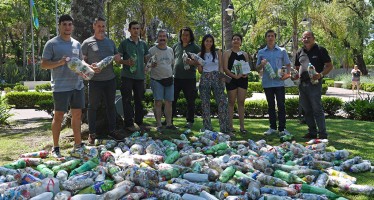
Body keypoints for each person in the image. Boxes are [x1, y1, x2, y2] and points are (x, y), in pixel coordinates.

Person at [41, 14, 84, 158]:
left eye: (69, 24)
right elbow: (44, 64)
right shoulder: (52, 44)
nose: (67, 27)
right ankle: (56, 147)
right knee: (59, 115)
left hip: (77, 86)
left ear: (72, 26)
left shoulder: (77, 44)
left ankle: (78, 145)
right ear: (59, 26)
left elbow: (80, 64)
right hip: (60, 87)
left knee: (77, 115)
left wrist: (86, 71)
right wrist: (59, 62)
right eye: (64, 24)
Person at [81, 17, 123, 144]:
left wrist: (118, 57)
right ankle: (92, 133)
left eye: (103, 26)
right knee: (92, 107)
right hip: (94, 81)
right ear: (94, 26)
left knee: (111, 106)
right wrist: (89, 66)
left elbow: (118, 57)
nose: (101, 29)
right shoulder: (87, 43)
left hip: (110, 80)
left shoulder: (110, 42)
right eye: (99, 26)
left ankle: (112, 131)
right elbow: (81, 60)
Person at [294, 31, 333, 139]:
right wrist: (295, 75)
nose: (306, 39)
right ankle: (312, 132)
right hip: (302, 84)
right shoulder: (299, 52)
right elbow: (297, 68)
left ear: (314, 38)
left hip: (314, 84)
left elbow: (329, 66)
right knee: (307, 109)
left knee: (317, 109)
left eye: (308, 37)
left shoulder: (320, 50)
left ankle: (322, 134)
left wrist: (320, 75)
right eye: (304, 37)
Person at [256, 30, 291, 136]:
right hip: (267, 83)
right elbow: (257, 68)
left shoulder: (282, 51)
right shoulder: (261, 52)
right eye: (268, 36)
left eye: (272, 36)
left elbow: (288, 64)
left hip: (279, 83)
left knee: (281, 105)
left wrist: (287, 75)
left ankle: (282, 128)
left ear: (275, 38)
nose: (270, 38)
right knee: (270, 106)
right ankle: (272, 127)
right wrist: (261, 64)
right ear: (266, 38)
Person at [117, 21, 149, 132]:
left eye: (138, 28)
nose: (136, 30)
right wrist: (125, 62)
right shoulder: (124, 43)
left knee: (139, 101)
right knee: (126, 100)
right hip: (127, 77)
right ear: (129, 30)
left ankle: (139, 123)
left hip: (140, 77)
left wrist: (151, 63)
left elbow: (147, 59)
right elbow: (117, 60)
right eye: (134, 28)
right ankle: (128, 124)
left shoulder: (143, 44)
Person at [197, 34, 230, 135]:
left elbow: (220, 66)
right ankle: (207, 128)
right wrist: (199, 63)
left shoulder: (217, 52)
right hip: (205, 78)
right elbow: (200, 71)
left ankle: (224, 128)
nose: (208, 43)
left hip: (217, 77)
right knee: (205, 103)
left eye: (210, 41)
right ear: (203, 42)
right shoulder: (199, 54)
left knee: (222, 103)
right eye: (207, 41)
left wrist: (222, 77)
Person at [148, 30, 177, 131]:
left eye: (164, 36)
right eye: (160, 36)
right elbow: (147, 66)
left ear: (167, 38)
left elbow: (172, 64)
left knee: (169, 102)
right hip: (156, 80)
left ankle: (169, 123)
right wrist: (151, 65)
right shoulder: (151, 50)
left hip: (169, 79)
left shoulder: (170, 50)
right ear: (157, 38)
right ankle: (159, 124)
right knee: (158, 102)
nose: (162, 38)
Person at [172, 27, 200, 129]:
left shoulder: (195, 48)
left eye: (187, 35)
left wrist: (192, 62)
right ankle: (169, 120)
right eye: (183, 35)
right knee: (172, 100)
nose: (185, 37)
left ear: (190, 36)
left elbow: (200, 62)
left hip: (189, 78)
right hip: (176, 78)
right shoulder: (175, 46)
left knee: (190, 101)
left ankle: (190, 121)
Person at [223, 34, 250, 133]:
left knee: (241, 102)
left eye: (238, 39)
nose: (236, 41)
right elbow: (225, 68)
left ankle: (242, 127)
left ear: (241, 42)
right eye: (234, 39)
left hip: (242, 80)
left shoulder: (245, 54)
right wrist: (234, 76)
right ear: (231, 41)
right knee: (231, 102)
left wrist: (245, 74)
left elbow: (247, 68)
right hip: (231, 79)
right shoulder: (227, 53)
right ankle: (230, 126)